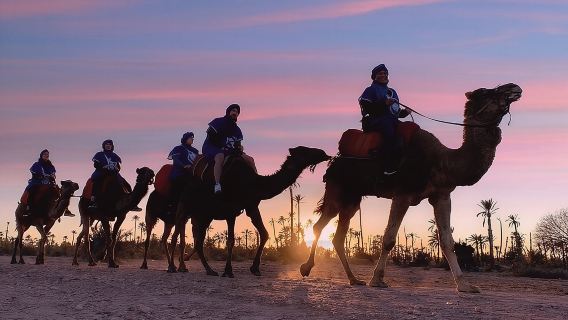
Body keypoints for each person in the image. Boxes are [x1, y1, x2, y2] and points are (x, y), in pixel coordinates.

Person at [358, 64, 411, 174]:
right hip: (375, 121)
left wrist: (405, 112)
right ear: (374, 76)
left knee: (408, 130)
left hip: (391, 120)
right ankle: (387, 165)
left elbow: (395, 112)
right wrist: (384, 104)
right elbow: (368, 109)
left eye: (385, 73)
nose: (383, 75)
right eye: (380, 73)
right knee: (390, 133)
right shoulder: (370, 90)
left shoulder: (392, 92)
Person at [202, 104, 256, 194]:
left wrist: (239, 148)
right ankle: (217, 184)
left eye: (237, 112)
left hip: (228, 150)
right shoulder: (218, 121)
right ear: (228, 112)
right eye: (233, 111)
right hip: (212, 147)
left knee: (249, 159)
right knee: (220, 156)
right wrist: (225, 147)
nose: (235, 113)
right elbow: (211, 136)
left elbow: (237, 144)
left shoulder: (237, 130)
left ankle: (256, 181)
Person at [89, 139, 142, 211]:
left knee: (126, 185)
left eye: (109, 145)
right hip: (102, 172)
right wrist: (104, 168)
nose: (108, 146)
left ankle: (132, 204)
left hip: (114, 173)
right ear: (104, 146)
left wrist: (116, 169)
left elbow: (118, 166)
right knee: (97, 183)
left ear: (112, 146)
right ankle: (94, 202)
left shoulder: (115, 156)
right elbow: (96, 165)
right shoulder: (99, 154)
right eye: (106, 144)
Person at [23, 149, 74, 217]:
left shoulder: (50, 166)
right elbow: (33, 172)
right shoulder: (37, 164)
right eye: (45, 154)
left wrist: (52, 176)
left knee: (58, 191)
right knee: (32, 190)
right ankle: (28, 208)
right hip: (37, 182)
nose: (46, 156)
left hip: (48, 182)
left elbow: (53, 174)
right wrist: (39, 175)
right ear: (41, 156)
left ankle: (65, 209)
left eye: (47, 155)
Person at [167, 132, 199, 203]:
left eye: (192, 138)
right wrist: (184, 166)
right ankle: (172, 205)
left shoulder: (195, 151)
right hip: (179, 173)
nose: (192, 140)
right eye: (190, 138)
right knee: (178, 188)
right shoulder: (178, 148)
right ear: (185, 139)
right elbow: (176, 159)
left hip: (192, 173)